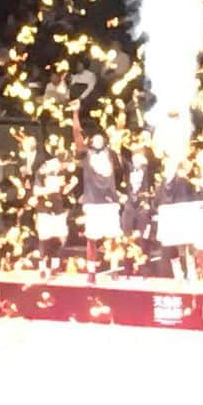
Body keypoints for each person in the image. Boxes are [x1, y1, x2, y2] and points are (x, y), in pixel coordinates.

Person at [71, 101, 122, 283]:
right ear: (91, 141)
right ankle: (91, 272)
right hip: (92, 202)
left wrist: (118, 110)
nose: (99, 139)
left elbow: (119, 130)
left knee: (114, 237)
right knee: (91, 239)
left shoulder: (111, 153)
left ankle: (115, 269)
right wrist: (75, 114)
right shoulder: (85, 154)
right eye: (95, 138)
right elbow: (77, 135)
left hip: (110, 201)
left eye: (102, 137)